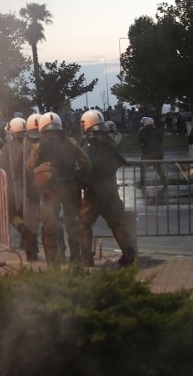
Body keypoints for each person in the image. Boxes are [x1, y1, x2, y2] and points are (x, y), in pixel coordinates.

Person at [26, 112, 90, 266]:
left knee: (49, 226)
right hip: (70, 188)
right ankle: (76, 261)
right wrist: (80, 176)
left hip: (50, 190)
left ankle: (53, 263)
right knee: (73, 224)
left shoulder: (38, 146)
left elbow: (29, 166)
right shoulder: (71, 142)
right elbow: (86, 162)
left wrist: (39, 178)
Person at [79, 110, 135, 267]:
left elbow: (86, 164)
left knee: (84, 223)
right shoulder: (109, 139)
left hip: (95, 189)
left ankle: (86, 259)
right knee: (115, 222)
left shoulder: (91, 142)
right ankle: (129, 255)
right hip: (110, 186)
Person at [0, 117, 40, 261]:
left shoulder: (9, 147)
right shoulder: (33, 143)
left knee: (13, 214)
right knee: (31, 217)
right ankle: (30, 244)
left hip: (15, 185)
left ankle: (25, 234)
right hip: (33, 185)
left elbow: (5, 164)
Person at [137, 116, 168, 195]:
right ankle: (165, 182)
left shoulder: (143, 131)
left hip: (148, 153)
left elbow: (140, 141)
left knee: (143, 168)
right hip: (158, 152)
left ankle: (142, 183)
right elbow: (161, 140)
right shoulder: (157, 130)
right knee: (158, 167)